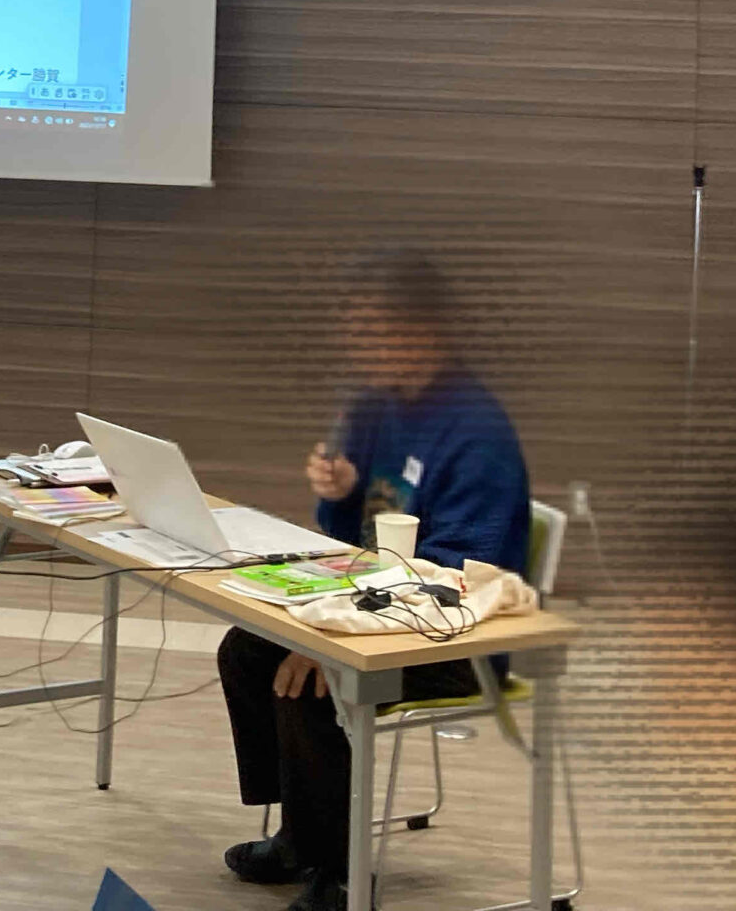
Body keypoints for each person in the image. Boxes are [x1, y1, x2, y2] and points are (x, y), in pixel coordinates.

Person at [217, 249, 531, 911]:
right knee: (248, 649)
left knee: (314, 678)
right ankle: (299, 836)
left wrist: (331, 638)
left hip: (454, 636)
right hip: (377, 601)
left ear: (423, 328)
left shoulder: (476, 431)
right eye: (353, 329)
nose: (357, 345)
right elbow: (350, 534)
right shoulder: (373, 406)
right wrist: (341, 493)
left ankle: (340, 875)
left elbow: (456, 577)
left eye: (370, 329)